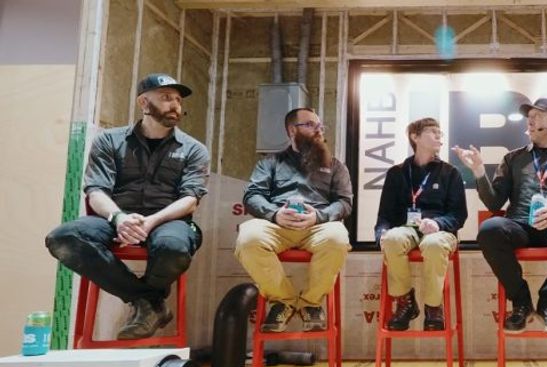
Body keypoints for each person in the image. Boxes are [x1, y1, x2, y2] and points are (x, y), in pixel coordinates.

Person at [46, 73, 209, 339]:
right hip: (115, 218)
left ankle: (146, 304)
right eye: (166, 98)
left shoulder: (194, 149)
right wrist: (119, 218)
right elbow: (96, 190)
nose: (175, 105)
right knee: (63, 238)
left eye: (178, 100)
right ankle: (148, 302)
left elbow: (190, 199)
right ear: (144, 103)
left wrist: (151, 221)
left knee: (173, 248)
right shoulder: (109, 140)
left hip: (168, 222)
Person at [455, 98, 547, 334]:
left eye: (537, 116)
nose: (530, 121)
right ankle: (521, 302)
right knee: (490, 229)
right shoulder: (513, 158)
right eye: (529, 117)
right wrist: (479, 171)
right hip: (519, 226)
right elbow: (494, 202)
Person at [235, 107, 352, 332]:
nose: (318, 130)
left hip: (318, 225)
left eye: (320, 125)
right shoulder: (270, 163)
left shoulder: (336, 166)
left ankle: (311, 303)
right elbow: (252, 196)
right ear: (292, 130)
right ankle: (283, 302)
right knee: (248, 238)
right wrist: (274, 214)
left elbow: (345, 203)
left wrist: (318, 216)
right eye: (310, 125)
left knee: (338, 238)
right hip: (278, 224)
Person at [375, 118, 468, 331]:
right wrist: (381, 235)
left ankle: (433, 307)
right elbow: (385, 215)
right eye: (433, 131)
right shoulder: (397, 173)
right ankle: (405, 302)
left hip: (440, 231)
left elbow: (459, 215)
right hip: (406, 229)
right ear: (415, 137)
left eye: (440, 132)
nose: (439, 136)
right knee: (391, 239)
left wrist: (437, 223)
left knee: (433, 245)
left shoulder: (450, 172)